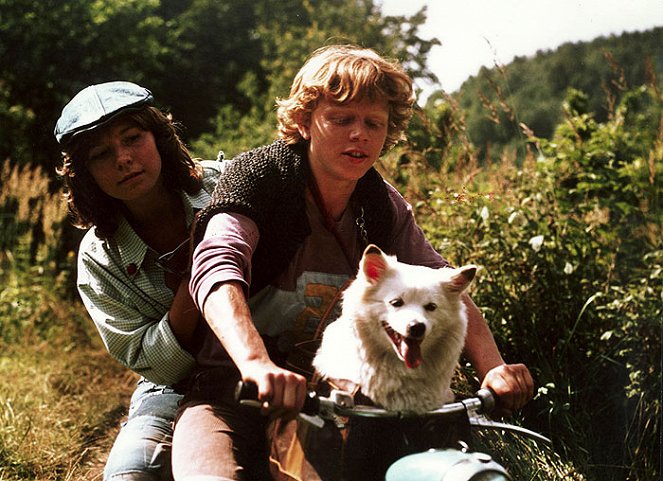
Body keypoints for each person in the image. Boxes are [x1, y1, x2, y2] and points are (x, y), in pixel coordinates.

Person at [172, 45, 534, 480]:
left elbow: (442, 284)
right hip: (231, 391)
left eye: (373, 123)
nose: (359, 135)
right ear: (305, 122)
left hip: (338, 398)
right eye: (341, 119)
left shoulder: (381, 206)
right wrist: (256, 363)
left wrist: (493, 368)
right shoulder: (261, 179)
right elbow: (216, 265)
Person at [54, 81, 222, 481]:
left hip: (272, 359)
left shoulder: (224, 188)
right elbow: (154, 362)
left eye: (133, 139)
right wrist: (197, 273)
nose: (124, 160)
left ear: (159, 137)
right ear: (85, 173)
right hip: (175, 387)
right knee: (130, 473)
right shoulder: (99, 257)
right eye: (101, 154)